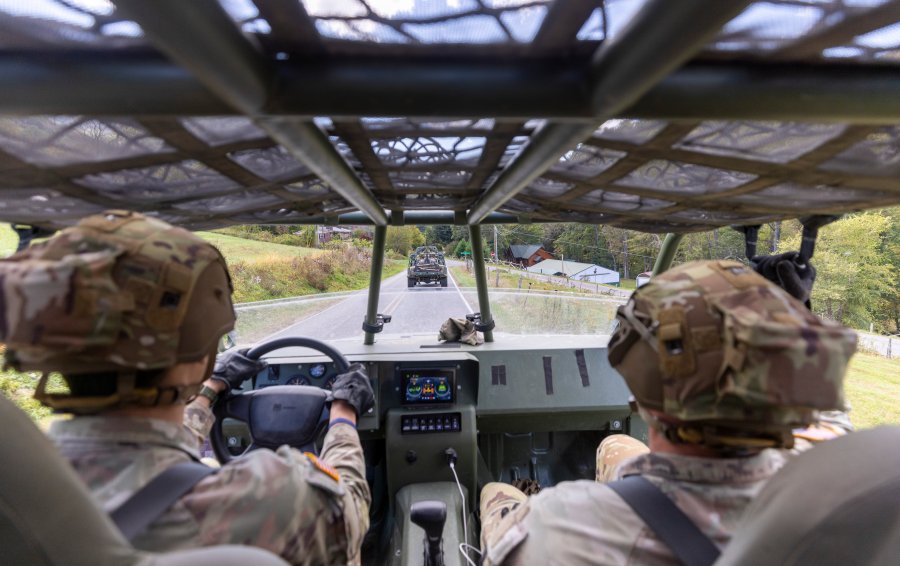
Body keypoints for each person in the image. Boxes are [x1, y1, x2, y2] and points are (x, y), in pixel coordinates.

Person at [0, 210, 373, 565]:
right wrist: (342, 414)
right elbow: (352, 506)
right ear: (197, 354)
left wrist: (209, 390)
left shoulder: (20, 489)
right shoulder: (272, 498)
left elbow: (150, 452)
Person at [479, 259, 857, 565]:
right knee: (617, 442)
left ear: (644, 393)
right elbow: (829, 419)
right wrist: (786, 327)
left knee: (495, 492)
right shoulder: (843, 485)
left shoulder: (565, 527)